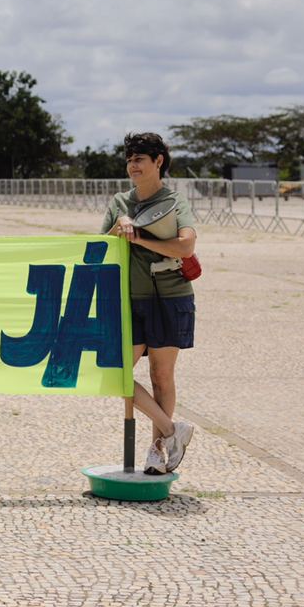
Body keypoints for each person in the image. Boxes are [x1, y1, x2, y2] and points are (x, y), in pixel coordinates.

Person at [101, 132, 196, 474]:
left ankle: (157, 452)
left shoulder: (175, 201)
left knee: (161, 376)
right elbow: (100, 248)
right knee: (116, 373)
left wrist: (139, 236)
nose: (132, 166)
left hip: (171, 297)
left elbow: (185, 247)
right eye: (129, 160)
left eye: (139, 159)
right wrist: (118, 226)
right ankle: (173, 431)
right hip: (129, 300)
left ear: (158, 162)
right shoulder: (119, 202)